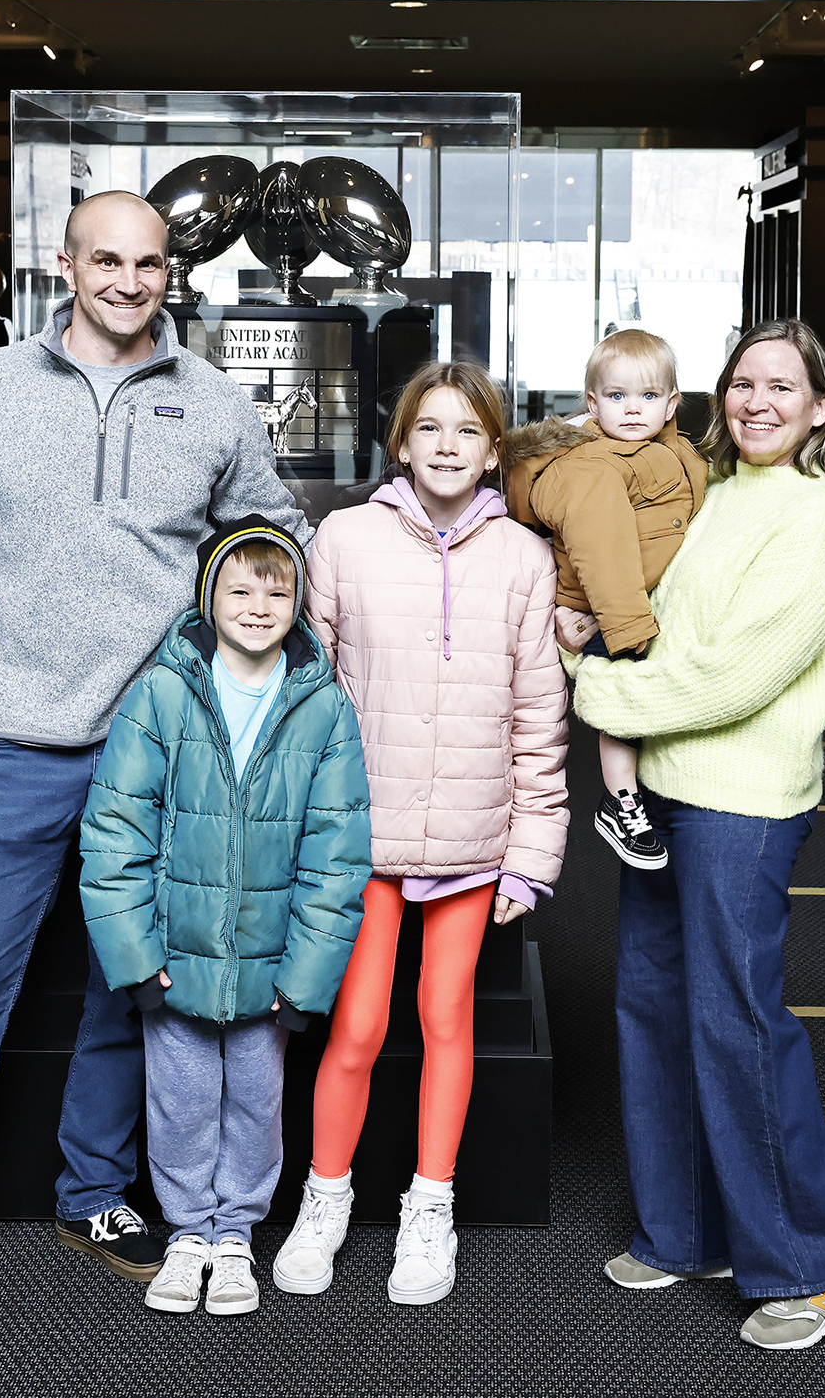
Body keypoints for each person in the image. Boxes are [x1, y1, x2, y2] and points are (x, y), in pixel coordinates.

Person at [0, 190, 307, 1306]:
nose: (128, 280)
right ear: (65, 265)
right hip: (16, 736)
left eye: (148, 264)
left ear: (170, 274)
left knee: (125, 986)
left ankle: (93, 1185)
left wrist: (240, 658)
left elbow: (272, 528)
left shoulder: (212, 401)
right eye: (106, 260)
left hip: (156, 747)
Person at [566, 320, 825, 1352]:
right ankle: (683, 1229)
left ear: (820, 407)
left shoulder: (816, 517)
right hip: (664, 785)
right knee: (652, 1005)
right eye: (742, 382)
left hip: (743, 799)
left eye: (781, 386)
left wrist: (598, 686)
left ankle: (813, 1263)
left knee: (735, 1019)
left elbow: (735, 675)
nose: (756, 400)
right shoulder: (711, 494)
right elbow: (643, 603)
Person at [270, 360, 568, 1308]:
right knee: (353, 1026)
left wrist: (533, 851)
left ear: (493, 451)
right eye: (429, 428)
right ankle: (324, 1199)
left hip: (475, 840)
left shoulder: (523, 555)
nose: (447, 445)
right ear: (400, 442)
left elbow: (538, 714)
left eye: (469, 432)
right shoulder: (346, 539)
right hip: (364, 838)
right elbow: (301, 694)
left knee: (450, 1021)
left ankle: (428, 1206)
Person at [77, 519, 372, 1316]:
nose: (257, 604)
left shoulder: (322, 707)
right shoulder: (162, 693)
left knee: (253, 1100)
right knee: (177, 1100)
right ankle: (186, 1233)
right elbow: (115, 834)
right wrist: (136, 960)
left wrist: (306, 979)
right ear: (208, 600)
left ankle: (235, 1232)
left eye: (277, 590)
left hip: (270, 962)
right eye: (239, 588)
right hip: (175, 956)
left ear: (300, 602)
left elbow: (337, 856)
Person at [501, 328, 707, 869]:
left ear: (671, 404)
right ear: (592, 404)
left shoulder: (676, 451)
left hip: (637, 605)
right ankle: (619, 800)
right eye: (616, 398)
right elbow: (602, 548)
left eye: (648, 397)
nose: (633, 410)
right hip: (604, 611)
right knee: (619, 705)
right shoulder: (589, 467)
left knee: (641, 711)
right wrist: (628, 628)